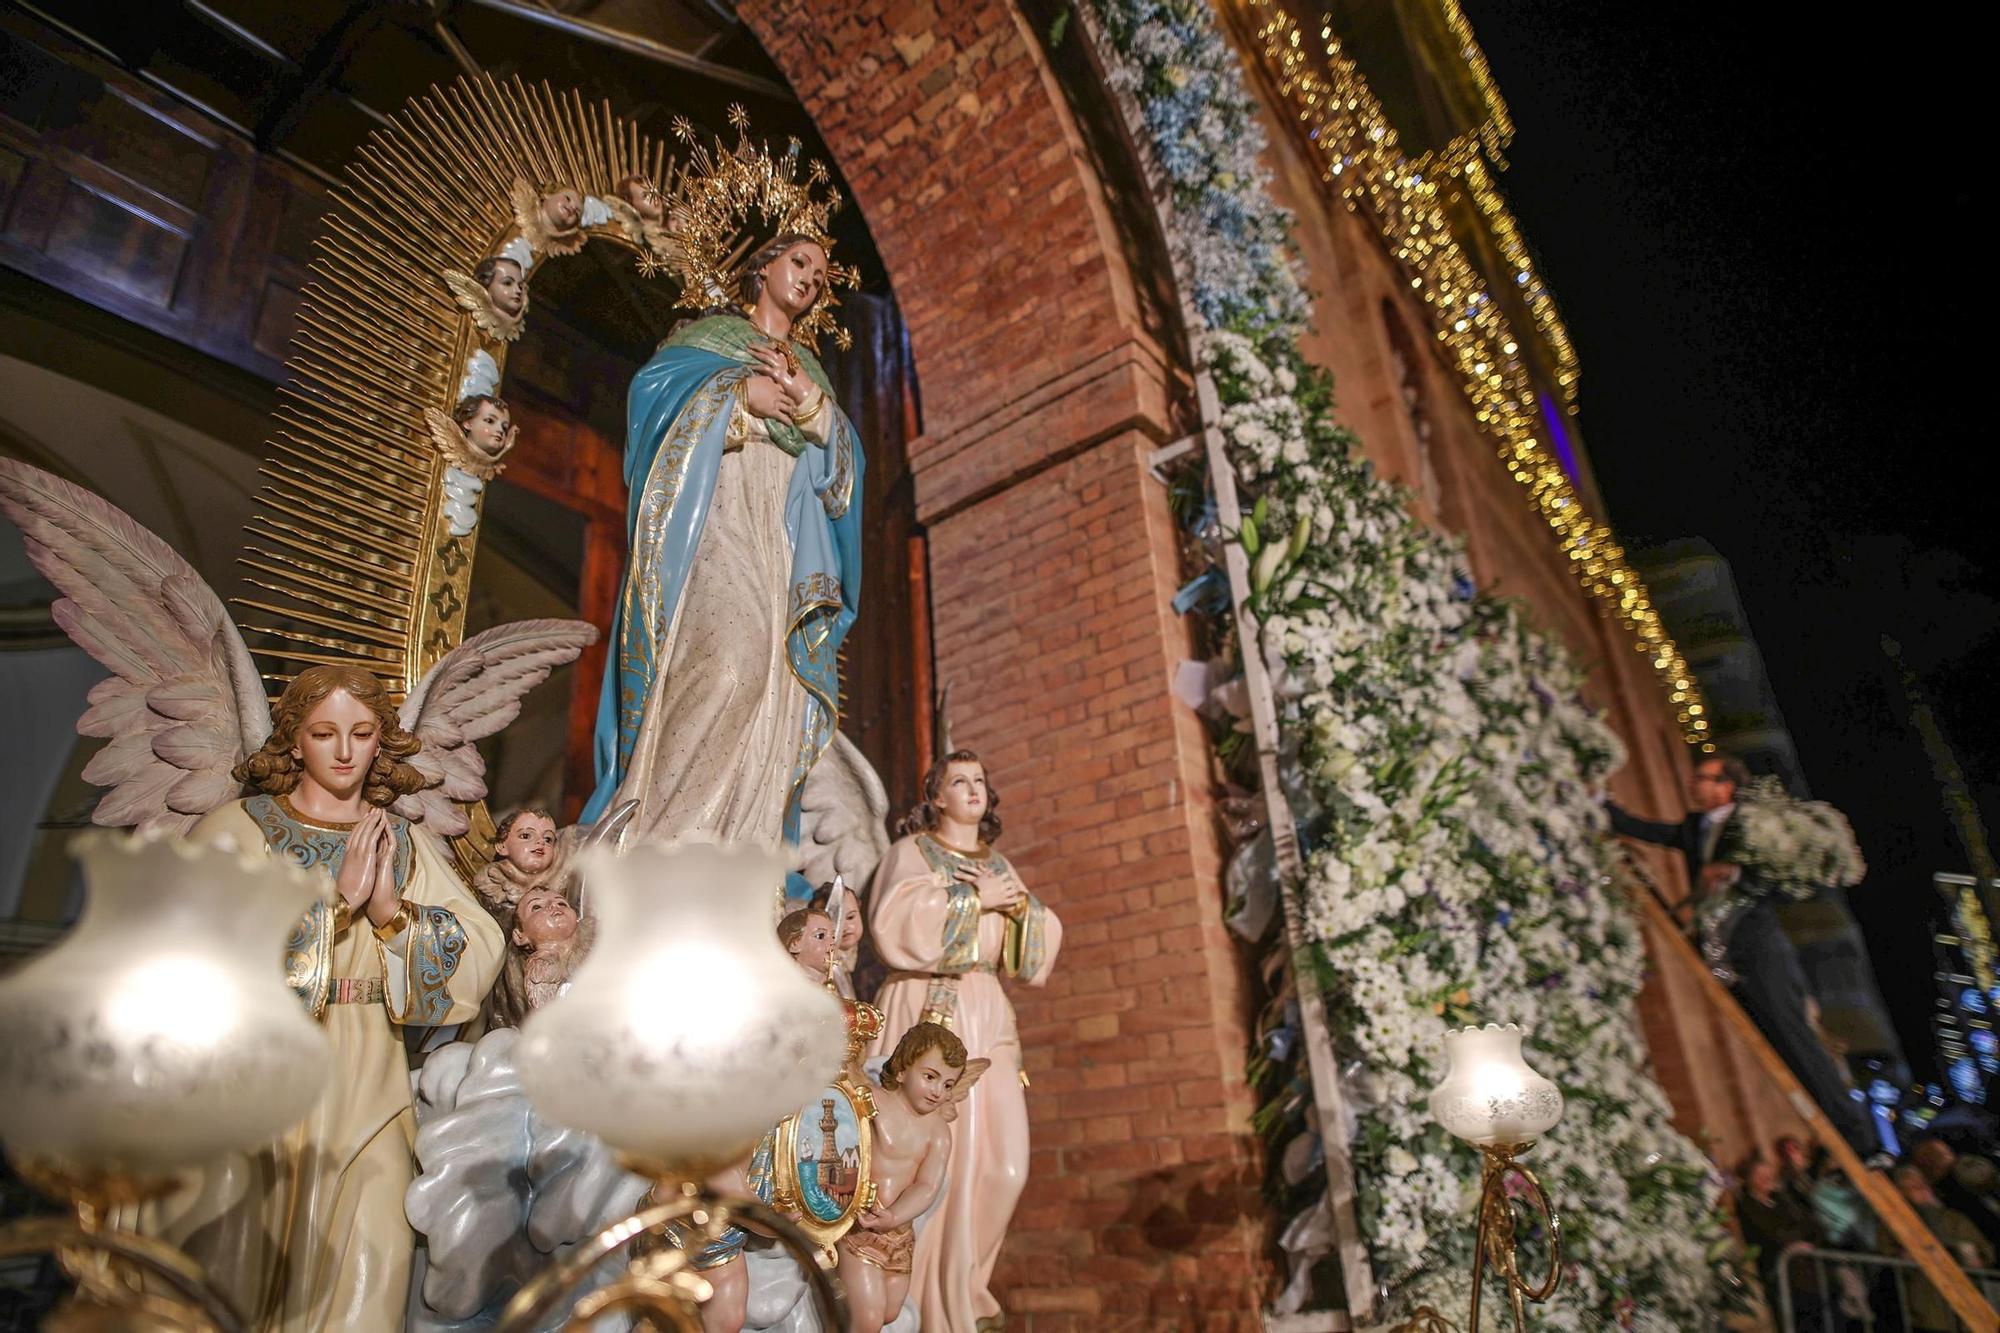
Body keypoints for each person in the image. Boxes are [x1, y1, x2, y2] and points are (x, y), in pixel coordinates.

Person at [134, 666, 504, 1330]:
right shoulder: (237, 829)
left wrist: (394, 913)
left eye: (361, 733)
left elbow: (482, 946)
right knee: (232, 1275)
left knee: (370, 1262)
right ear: (294, 739)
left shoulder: (404, 841)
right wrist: (333, 905)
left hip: (368, 1079)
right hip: (254, 1080)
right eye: (323, 732)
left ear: (380, 742)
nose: (343, 751)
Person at [581, 232, 864, 854]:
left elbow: (843, 476)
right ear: (763, 267)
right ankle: (665, 844)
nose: (811, 281)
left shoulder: (812, 373)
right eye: (800, 264)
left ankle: (742, 855)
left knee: (774, 689)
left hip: (785, 536)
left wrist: (817, 412)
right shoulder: (708, 342)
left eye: (820, 276)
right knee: (730, 665)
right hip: (718, 513)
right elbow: (651, 402)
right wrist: (740, 398)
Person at [868, 750, 1061, 1333]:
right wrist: (975, 901)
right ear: (937, 797)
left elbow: (1036, 944)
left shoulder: (998, 866)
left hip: (985, 1009)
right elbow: (892, 923)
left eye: (980, 780)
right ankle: (914, 1307)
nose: (974, 789)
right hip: (927, 1008)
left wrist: (1019, 906)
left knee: (1005, 1167)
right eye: (959, 781)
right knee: (927, 1160)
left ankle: (968, 1293)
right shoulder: (911, 854)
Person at [1610, 756, 1878, 1158]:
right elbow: (1639, 829)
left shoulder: (1757, 825)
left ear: (1726, 788)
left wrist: (1738, 873)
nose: (1693, 783)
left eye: (1703, 778)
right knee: (1768, 1045)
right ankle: (1831, 1135)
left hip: (1759, 950)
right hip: (1720, 955)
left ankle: (1859, 1137)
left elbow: (1780, 880)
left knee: (1794, 1038)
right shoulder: (1696, 828)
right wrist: (1601, 803)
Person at [840, 1022, 964, 1333]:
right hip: (860, 1226)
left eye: (948, 1085)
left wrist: (895, 1215)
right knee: (867, 1318)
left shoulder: (938, 1132)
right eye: (931, 1077)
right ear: (901, 1070)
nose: (938, 1092)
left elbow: (927, 1186)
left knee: (889, 1313)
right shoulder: (873, 1102)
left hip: (899, 1235)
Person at [1886, 1164, 1996, 1330]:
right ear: (1900, 1192)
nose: (1921, 1188)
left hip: (1968, 1297)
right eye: (1912, 1186)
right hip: (1926, 1300)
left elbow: (1982, 1253)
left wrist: (1973, 1256)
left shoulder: (1954, 1219)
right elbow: (1889, 1254)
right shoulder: (1893, 1222)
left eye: (1922, 1183)